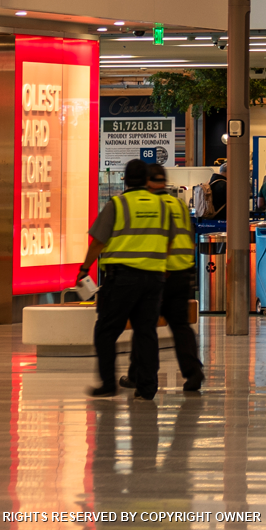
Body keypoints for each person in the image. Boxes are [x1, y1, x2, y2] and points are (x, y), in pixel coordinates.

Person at [77, 158, 168, 400]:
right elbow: (167, 240)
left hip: (123, 279)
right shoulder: (162, 206)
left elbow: (98, 241)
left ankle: (108, 383)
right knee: (146, 332)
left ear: (124, 179)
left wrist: (85, 269)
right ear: (147, 179)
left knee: (106, 330)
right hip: (154, 279)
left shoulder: (117, 205)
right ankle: (147, 387)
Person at [148, 163, 205, 394]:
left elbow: (162, 238)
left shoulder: (156, 205)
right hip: (183, 270)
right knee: (180, 326)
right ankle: (193, 373)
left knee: (146, 326)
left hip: (162, 273)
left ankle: (140, 375)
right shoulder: (179, 204)